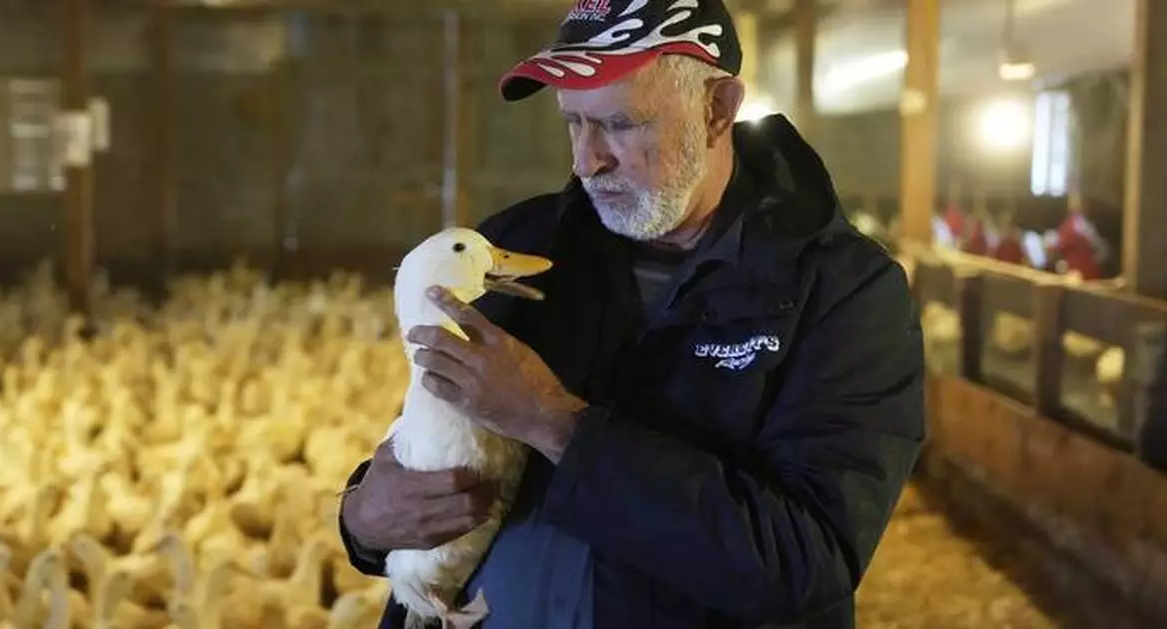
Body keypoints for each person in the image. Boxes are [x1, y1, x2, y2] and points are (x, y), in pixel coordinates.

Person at [338, 1, 926, 627]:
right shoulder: (516, 246)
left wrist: (555, 422)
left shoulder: (843, 294)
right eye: (573, 123)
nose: (586, 160)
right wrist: (363, 521)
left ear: (717, 110)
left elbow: (804, 565)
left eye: (619, 123)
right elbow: (422, 438)